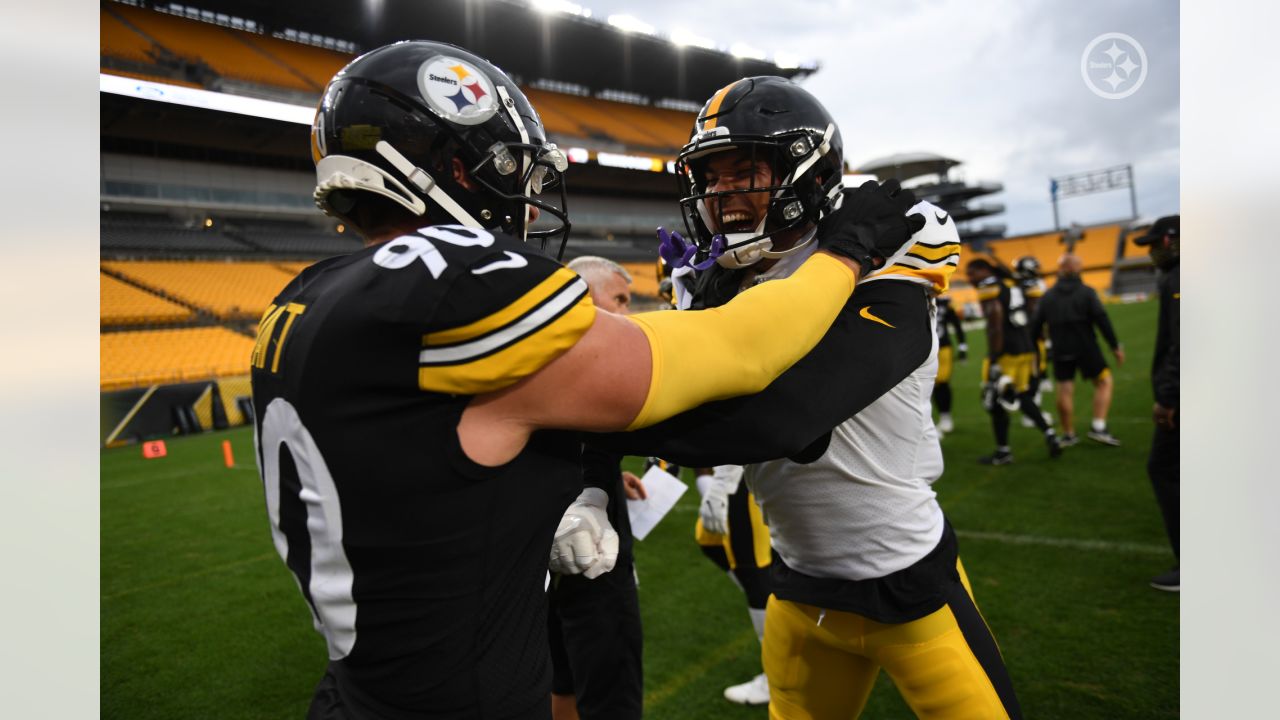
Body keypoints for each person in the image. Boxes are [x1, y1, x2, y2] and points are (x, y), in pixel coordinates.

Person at [251, 42, 925, 720]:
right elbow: (737, 352)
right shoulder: (452, 282)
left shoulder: (302, 299)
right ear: (455, 167)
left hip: (358, 690)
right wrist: (846, 251)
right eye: (507, 168)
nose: (522, 195)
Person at [598, 76, 1022, 719]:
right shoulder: (715, 284)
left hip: (907, 584)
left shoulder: (885, 267)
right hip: (798, 590)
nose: (721, 192)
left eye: (744, 171)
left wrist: (587, 421)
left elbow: (783, 419)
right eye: (711, 177)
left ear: (807, 171)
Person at [547, 256, 646, 720]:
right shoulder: (598, 363)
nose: (628, 313)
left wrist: (607, 477)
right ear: (584, 298)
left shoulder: (534, 353)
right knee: (609, 691)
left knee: (559, 673)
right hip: (591, 560)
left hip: (540, 554)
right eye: (621, 300)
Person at [967, 258, 1063, 465]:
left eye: (972, 273)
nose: (969, 279)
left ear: (985, 270)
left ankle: (1003, 452)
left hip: (1006, 353)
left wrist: (994, 358)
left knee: (993, 401)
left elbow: (995, 325)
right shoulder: (1017, 285)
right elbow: (1034, 316)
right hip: (1027, 349)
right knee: (1022, 395)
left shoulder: (990, 287)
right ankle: (1050, 434)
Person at [692, 464, 774, 705]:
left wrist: (720, 485)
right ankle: (786, 616)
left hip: (742, 472)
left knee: (753, 572)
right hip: (731, 473)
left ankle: (777, 677)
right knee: (711, 542)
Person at [1029, 254, 1125, 446]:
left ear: (1060, 270)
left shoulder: (1047, 296)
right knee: (1104, 382)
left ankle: (1068, 434)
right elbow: (1102, 320)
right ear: (1077, 268)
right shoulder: (1087, 292)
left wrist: (1034, 352)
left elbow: (1035, 327)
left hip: (1060, 349)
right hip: (1086, 346)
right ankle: (1098, 427)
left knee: (1064, 389)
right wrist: (1114, 346)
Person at [1133, 215, 1179, 591]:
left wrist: (1168, 396)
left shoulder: (1180, 278)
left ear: (1170, 240)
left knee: (1162, 468)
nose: (1150, 252)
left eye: (1153, 244)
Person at [1012, 256, 1054, 429]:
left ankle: (1033, 411)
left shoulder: (1014, 287)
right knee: (1032, 377)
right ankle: (1032, 414)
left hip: (1020, 336)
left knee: (1030, 377)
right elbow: (1039, 314)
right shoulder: (1032, 288)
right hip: (1031, 337)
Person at [932, 293, 967, 434]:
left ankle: (945, 417)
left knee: (942, 382)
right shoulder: (918, 296)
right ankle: (928, 421)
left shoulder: (945, 303)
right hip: (923, 347)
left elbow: (957, 325)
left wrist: (963, 347)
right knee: (926, 384)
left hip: (943, 347)